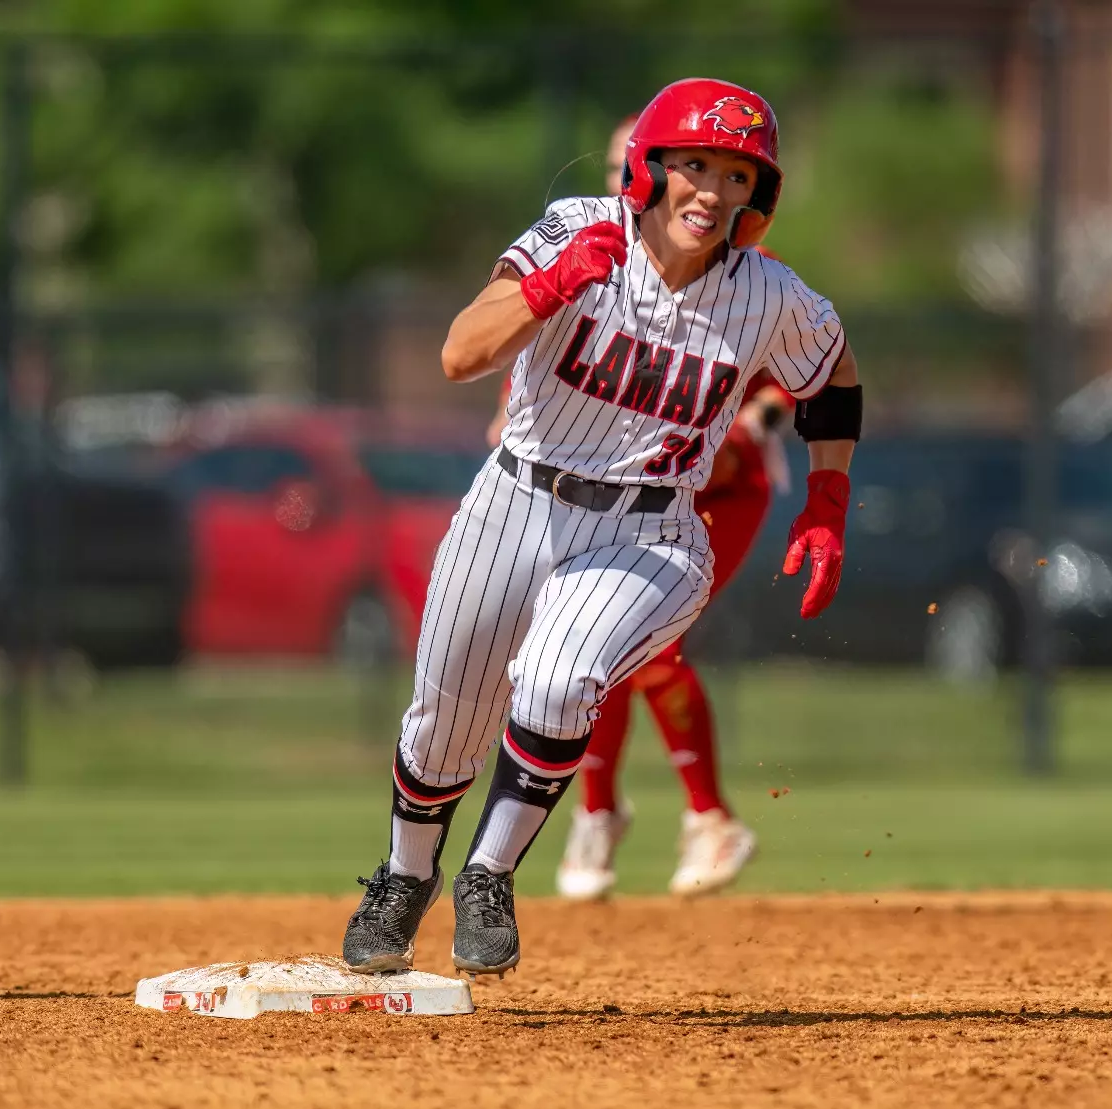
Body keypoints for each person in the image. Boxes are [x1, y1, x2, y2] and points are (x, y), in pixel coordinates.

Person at [342, 77, 863, 978]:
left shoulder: (768, 294)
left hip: (653, 529)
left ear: (758, 194)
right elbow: (461, 353)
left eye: (736, 175)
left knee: (558, 681)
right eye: (694, 165)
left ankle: (489, 873)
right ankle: (404, 875)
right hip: (516, 501)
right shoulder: (579, 228)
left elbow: (834, 378)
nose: (711, 191)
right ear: (650, 167)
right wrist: (546, 288)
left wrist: (827, 498)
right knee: (444, 724)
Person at [483, 116, 791, 903]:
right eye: (629, 163)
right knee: (588, 650)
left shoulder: (746, 272)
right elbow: (530, 367)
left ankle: (704, 816)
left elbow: (797, 377)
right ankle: (600, 813)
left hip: (719, 491)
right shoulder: (592, 258)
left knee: (647, 648)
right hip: (612, 497)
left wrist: (756, 423)